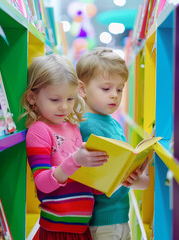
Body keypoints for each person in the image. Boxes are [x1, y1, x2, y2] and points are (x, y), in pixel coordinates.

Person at [21, 53, 109, 240]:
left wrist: (107, 178)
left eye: (70, 99)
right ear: (32, 97)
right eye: (55, 100)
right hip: (56, 231)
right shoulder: (39, 131)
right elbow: (43, 183)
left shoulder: (72, 127)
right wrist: (76, 160)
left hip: (81, 230)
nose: (64, 107)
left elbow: (80, 179)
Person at [77, 47, 150, 240]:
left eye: (119, 89)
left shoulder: (114, 123)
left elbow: (129, 181)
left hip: (120, 216)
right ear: (82, 89)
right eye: (106, 88)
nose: (114, 95)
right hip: (99, 222)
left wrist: (137, 176)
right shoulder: (83, 126)